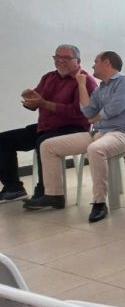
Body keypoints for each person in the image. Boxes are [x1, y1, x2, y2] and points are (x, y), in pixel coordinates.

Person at [23, 51, 125, 223]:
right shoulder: (101, 88)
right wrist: (81, 85)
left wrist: (95, 118)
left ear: (107, 63)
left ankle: (99, 203)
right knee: (47, 145)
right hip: (98, 133)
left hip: (122, 134)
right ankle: (54, 195)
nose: (92, 65)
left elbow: (113, 109)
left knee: (95, 149)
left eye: (96, 61)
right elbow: (87, 111)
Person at [0, 44, 97, 202]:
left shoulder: (85, 81)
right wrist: (29, 100)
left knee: (43, 142)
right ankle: (13, 188)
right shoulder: (48, 77)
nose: (60, 61)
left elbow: (80, 112)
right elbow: (37, 102)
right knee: (3, 140)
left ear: (78, 61)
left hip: (74, 128)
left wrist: (44, 103)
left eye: (66, 58)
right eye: (57, 57)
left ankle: (46, 192)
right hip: (46, 127)